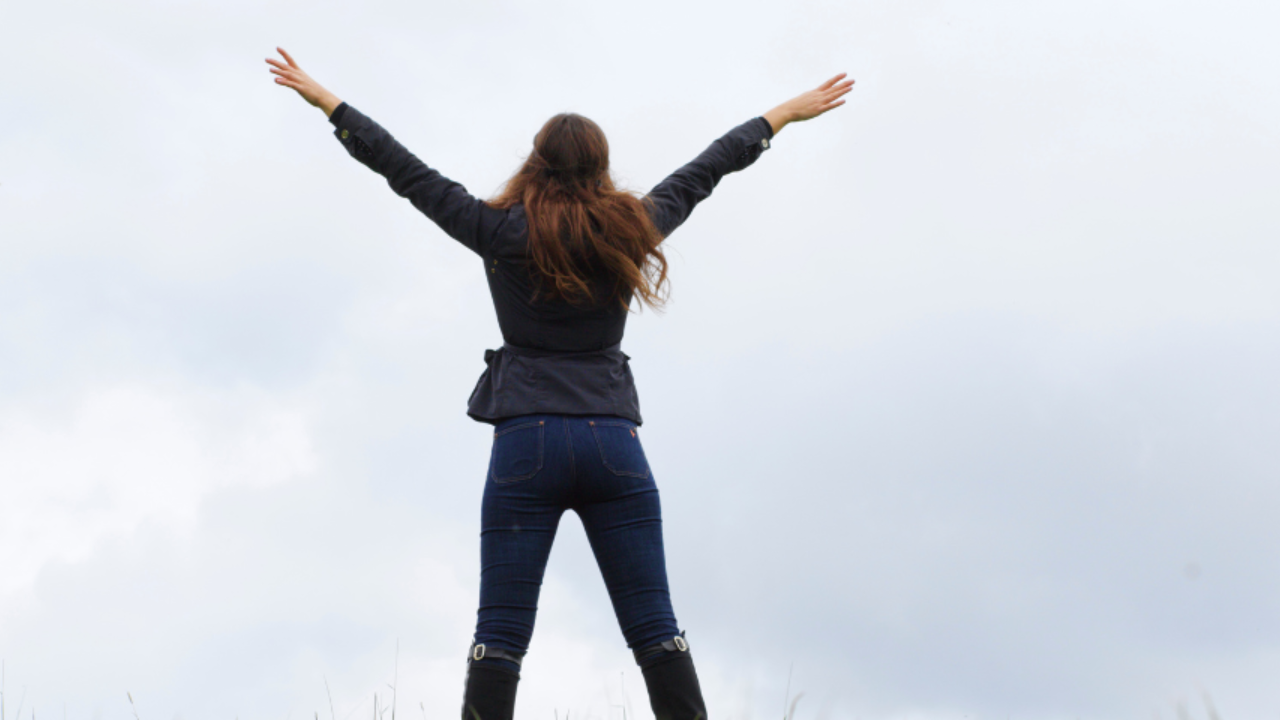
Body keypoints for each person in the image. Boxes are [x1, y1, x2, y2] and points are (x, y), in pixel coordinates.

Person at [267, 47, 853, 720]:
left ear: (536, 162)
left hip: (527, 443)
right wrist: (780, 116)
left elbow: (407, 173)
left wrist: (330, 105)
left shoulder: (496, 230)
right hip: (613, 445)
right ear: (601, 167)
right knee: (656, 627)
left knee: (500, 633)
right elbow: (705, 170)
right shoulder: (630, 228)